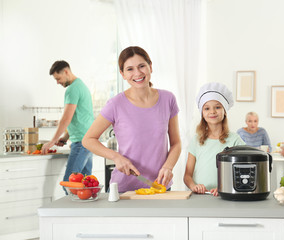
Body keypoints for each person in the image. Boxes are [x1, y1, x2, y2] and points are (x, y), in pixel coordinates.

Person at [82, 46, 181, 192]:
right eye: (130, 69)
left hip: (160, 188)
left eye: (142, 66)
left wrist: (168, 166)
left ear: (150, 67)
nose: (137, 73)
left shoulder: (168, 99)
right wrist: (116, 157)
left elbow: (176, 143)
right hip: (124, 190)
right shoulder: (115, 104)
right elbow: (88, 139)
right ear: (122, 74)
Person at [184, 82, 245, 196]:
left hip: (225, 195)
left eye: (217, 107)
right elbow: (187, 175)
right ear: (202, 113)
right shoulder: (196, 140)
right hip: (200, 196)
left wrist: (225, 187)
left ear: (224, 111)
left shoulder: (235, 140)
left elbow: (242, 171)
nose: (212, 112)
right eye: (207, 108)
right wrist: (194, 186)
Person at [42, 61, 94, 189]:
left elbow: (66, 118)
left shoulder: (72, 89)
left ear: (66, 72)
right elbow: (79, 117)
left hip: (81, 143)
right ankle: (85, 209)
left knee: (69, 185)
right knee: (86, 186)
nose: (57, 82)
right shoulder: (81, 86)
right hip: (88, 141)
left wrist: (52, 141)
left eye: (58, 78)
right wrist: (65, 137)